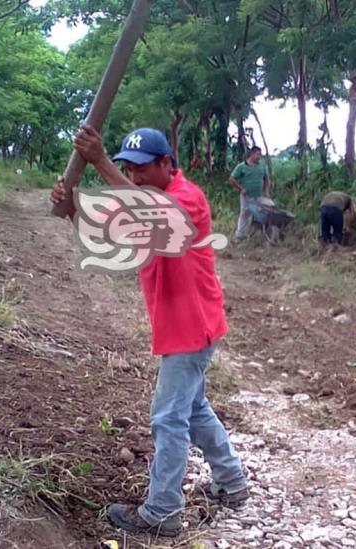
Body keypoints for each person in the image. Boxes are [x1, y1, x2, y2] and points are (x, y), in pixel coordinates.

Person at [50, 125, 248, 537]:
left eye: (142, 169)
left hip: (190, 327)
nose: (135, 177)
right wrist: (72, 209)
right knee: (193, 410)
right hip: (186, 325)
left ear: (165, 163)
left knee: (168, 418)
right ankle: (232, 482)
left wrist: (100, 161)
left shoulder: (186, 199)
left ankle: (162, 513)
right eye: (129, 169)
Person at [229, 145, 271, 241]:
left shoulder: (262, 167)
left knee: (263, 213)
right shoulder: (242, 166)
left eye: (260, 155)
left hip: (259, 196)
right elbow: (232, 179)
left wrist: (266, 191)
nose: (259, 157)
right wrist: (241, 189)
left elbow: (267, 179)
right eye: (257, 155)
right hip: (247, 197)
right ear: (251, 154)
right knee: (244, 214)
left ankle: (261, 232)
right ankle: (240, 236)